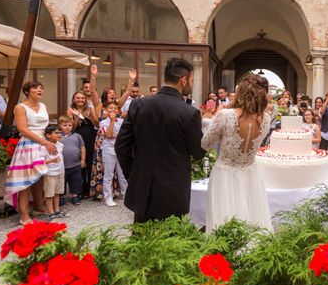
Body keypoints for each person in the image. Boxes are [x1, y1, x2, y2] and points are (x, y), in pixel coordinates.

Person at [116, 58, 205, 222]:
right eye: (191, 80)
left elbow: (121, 147)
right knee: (171, 242)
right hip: (173, 191)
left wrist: (133, 174)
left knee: (141, 242)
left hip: (143, 188)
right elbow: (198, 152)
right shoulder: (189, 113)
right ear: (183, 80)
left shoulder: (138, 105)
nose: (191, 84)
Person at [201, 75, 273, 231]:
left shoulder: (225, 115)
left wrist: (207, 119)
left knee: (223, 222)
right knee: (253, 221)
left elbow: (205, 144)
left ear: (241, 92)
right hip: (251, 174)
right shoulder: (266, 119)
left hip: (225, 174)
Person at [4, 81, 55, 225]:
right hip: (29, 144)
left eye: (41, 88)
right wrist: (45, 142)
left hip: (44, 143)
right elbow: (23, 129)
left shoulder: (43, 106)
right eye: (35, 88)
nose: (39, 90)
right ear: (27, 91)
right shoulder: (20, 107)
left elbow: (46, 126)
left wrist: (52, 139)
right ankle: (24, 214)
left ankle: (39, 206)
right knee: (25, 180)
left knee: (39, 178)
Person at [67, 90, 98, 197]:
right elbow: (72, 128)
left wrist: (90, 117)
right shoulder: (70, 110)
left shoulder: (90, 109)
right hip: (77, 138)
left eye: (82, 98)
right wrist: (76, 116)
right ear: (74, 99)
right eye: (78, 98)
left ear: (85, 100)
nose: (80, 100)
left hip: (90, 137)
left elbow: (97, 124)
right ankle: (80, 190)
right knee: (79, 163)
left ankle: (91, 189)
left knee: (90, 162)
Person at [99, 102, 128, 207]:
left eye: (115, 108)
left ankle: (125, 194)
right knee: (108, 175)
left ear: (118, 110)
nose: (113, 110)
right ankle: (108, 197)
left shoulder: (122, 121)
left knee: (122, 174)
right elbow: (108, 135)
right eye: (110, 108)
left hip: (120, 150)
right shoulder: (103, 123)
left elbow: (124, 136)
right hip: (108, 150)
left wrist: (115, 135)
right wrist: (111, 121)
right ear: (106, 109)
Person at [40, 125, 68, 220]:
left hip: (60, 172)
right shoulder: (44, 147)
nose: (59, 134)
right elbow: (40, 161)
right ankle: (50, 212)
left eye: (60, 132)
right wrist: (51, 161)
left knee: (57, 192)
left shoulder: (60, 145)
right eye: (56, 133)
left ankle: (57, 210)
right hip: (50, 173)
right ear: (48, 135)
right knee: (49, 193)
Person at [58, 115, 85, 206]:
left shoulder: (77, 136)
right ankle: (61, 197)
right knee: (61, 182)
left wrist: (83, 160)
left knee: (76, 181)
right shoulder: (58, 137)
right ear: (60, 126)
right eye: (64, 125)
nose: (67, 127)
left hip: (75, 164)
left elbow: (82, 148)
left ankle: (75, 196)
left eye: (69, 125)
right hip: (62, 166)